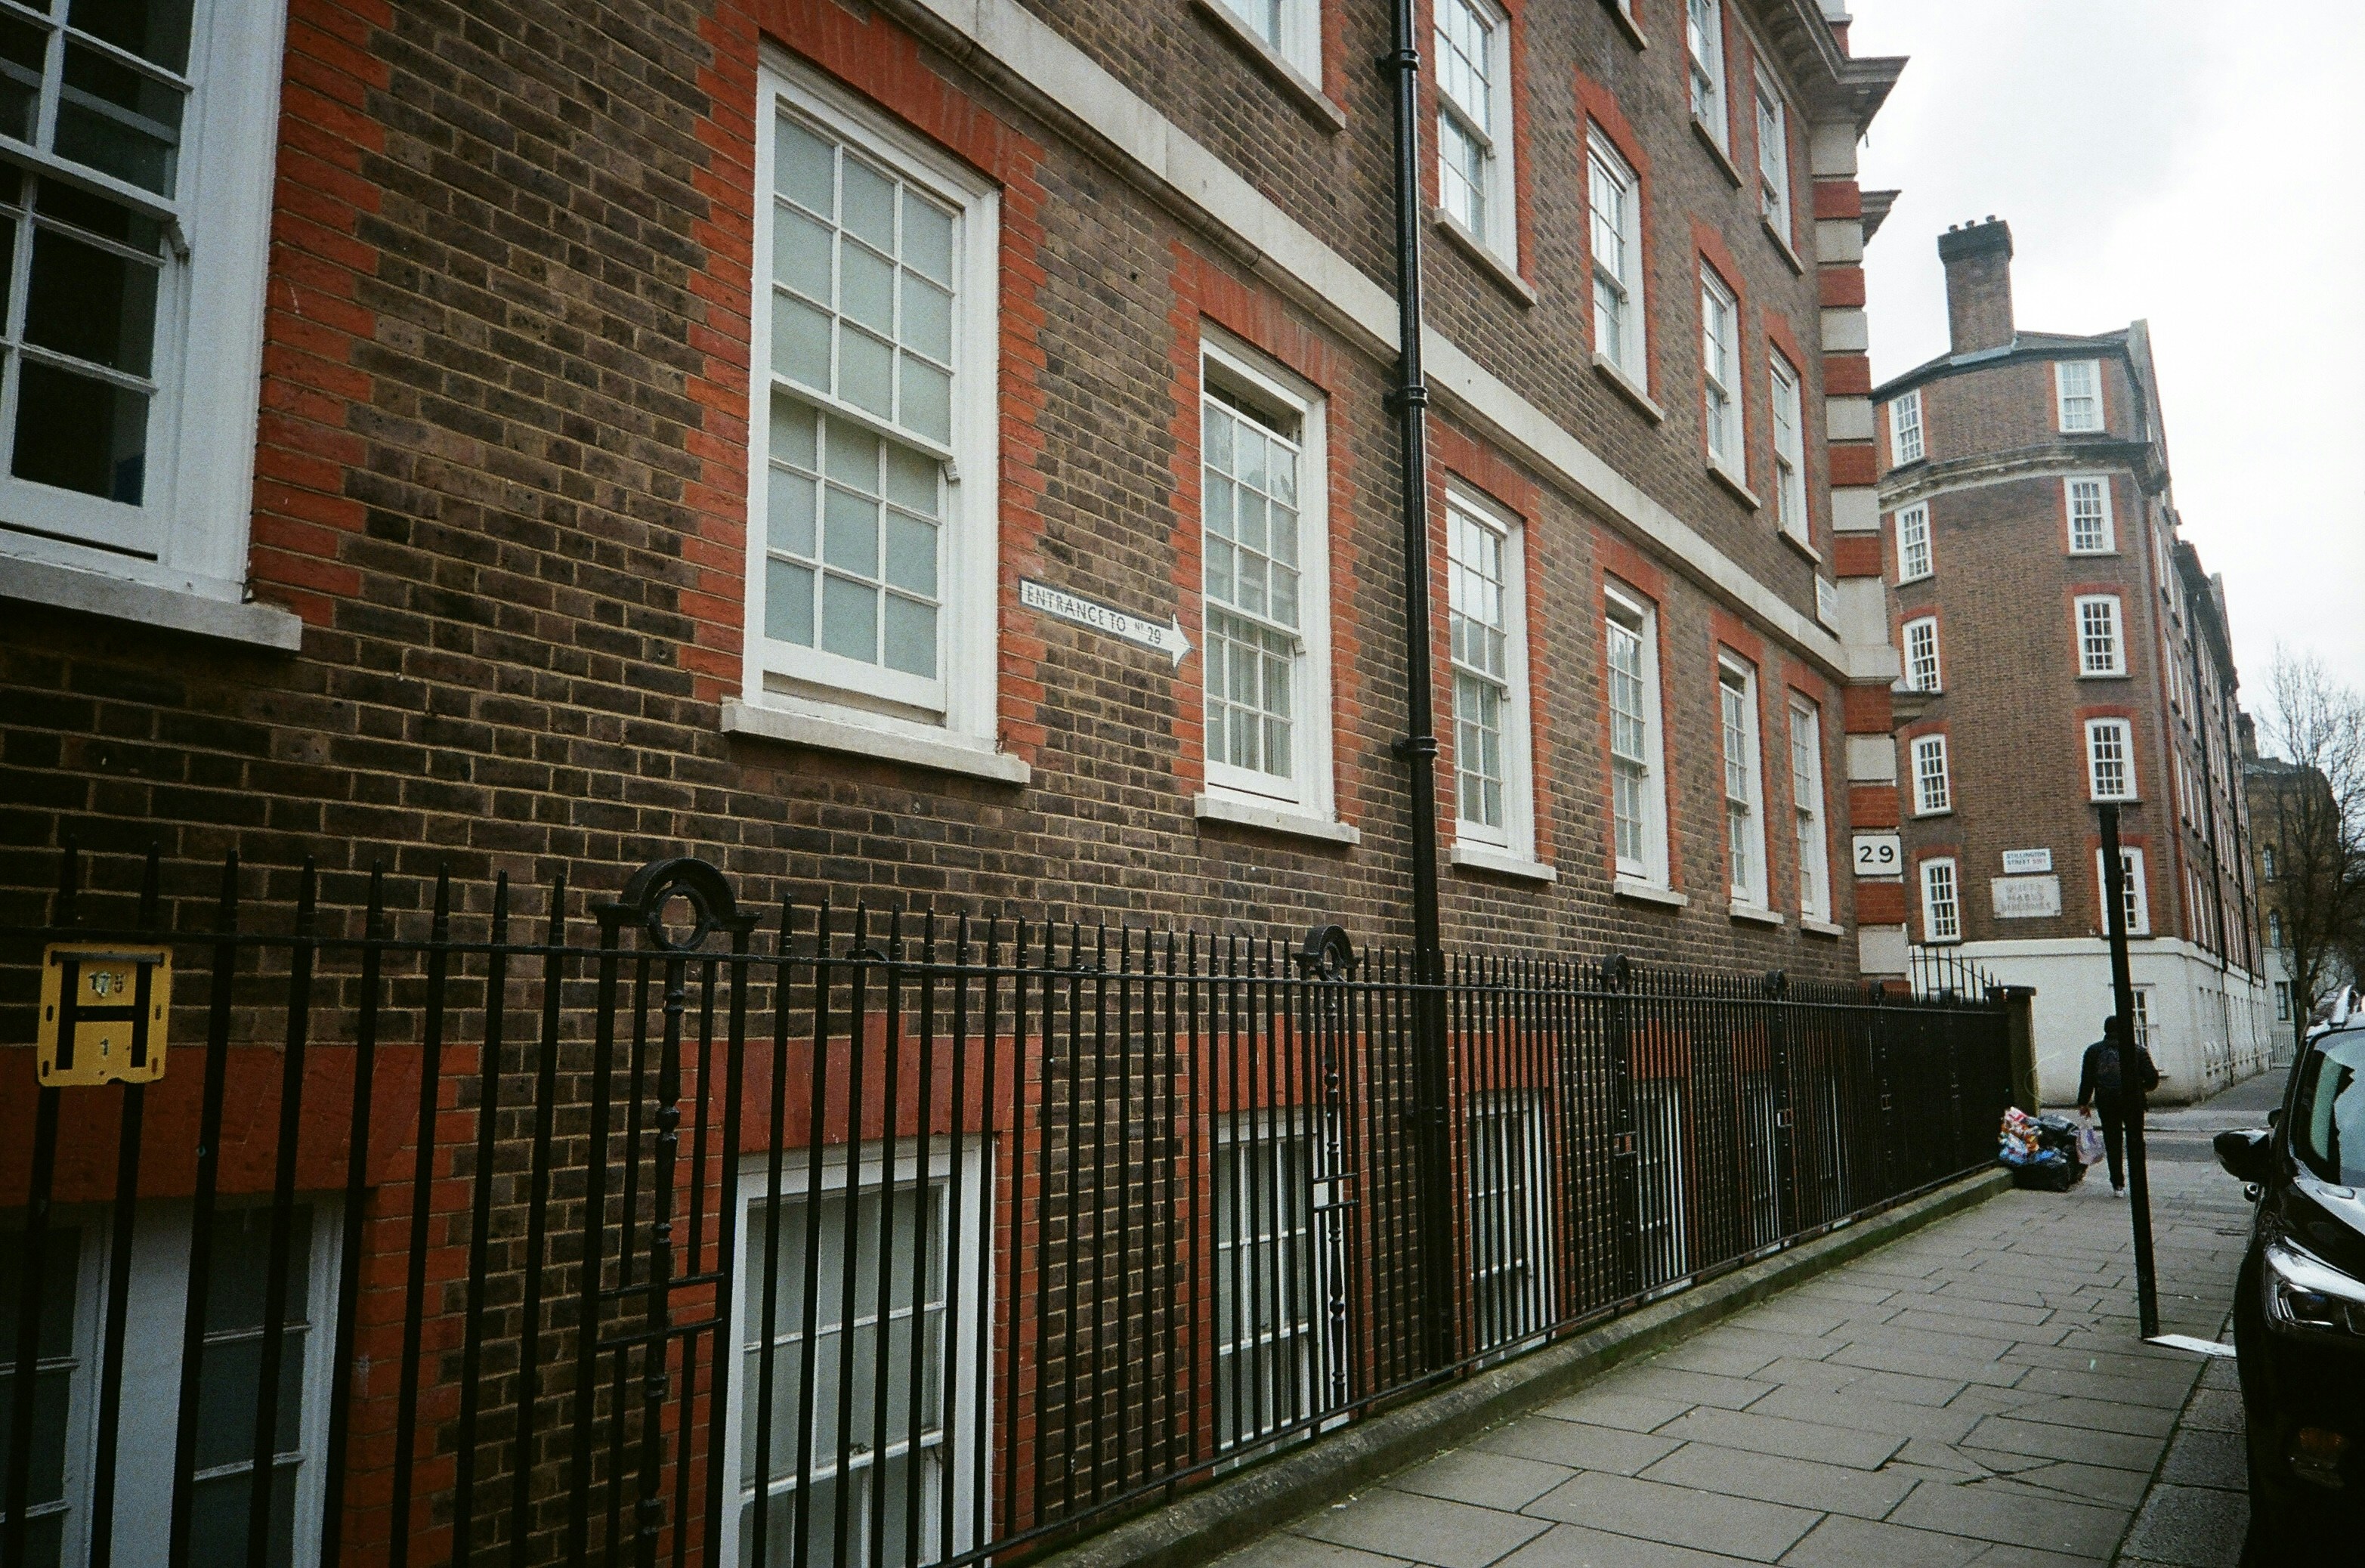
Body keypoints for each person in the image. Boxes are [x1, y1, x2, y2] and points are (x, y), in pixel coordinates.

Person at [2076, 1014, 2159, 1195]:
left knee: (2113, 1142)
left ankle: (2117, 1184)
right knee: (2135, 1140)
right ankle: (2138, 1180)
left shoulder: (2093, 1051)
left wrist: (2083, 1103)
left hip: (2107, 1102)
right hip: (2133, 1101)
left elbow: (2087, 1080)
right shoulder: (2137, 1051)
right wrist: (2140, 1088)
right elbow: (2153, 1079)